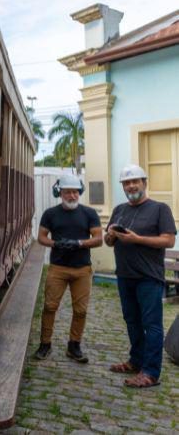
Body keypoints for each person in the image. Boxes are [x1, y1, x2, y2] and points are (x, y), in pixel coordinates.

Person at [104, 164, 175, 388]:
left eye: (135, 181)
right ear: (123, 187)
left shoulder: (160, 209)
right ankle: (136, 361)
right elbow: (108, 240)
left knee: (151, 325)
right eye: (126, 182)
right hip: (125, 275)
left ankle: (151, 372)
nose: (131, 185)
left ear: (144, 183)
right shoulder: (119, 210)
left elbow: (168, 240)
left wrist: (137, 239)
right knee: (131, 320)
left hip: (148, 277)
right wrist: (111, 236)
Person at [34, 174, 102, 363]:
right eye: (67, 192)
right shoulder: (50, 213)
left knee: (80, 310)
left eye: (74, 192)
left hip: (82, 269)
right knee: (49, 307)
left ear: (79, 192)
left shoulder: (89, 213)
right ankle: (45, 344)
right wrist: (56, 244)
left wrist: (80, 243)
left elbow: (98, 238)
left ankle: (74, 345)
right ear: (60, 193)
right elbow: (41, 237)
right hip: (58, 268)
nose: (71, 196)